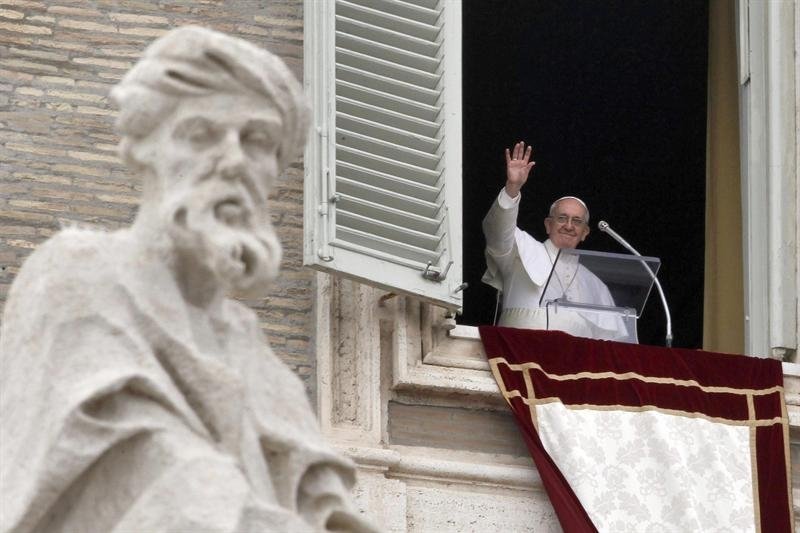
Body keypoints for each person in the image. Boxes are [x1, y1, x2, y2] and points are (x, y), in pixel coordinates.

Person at [0, 27, 375, 533]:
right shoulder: (76, 272)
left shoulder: (259, 358)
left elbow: (326, 511)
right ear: (144, 146)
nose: (233, 159)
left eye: (257, 140)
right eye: (200, 133)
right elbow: (140, 469)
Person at [482, 141, 629, 341]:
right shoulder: (522, 250)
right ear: (548, 225)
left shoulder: (597, 285)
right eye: (562, 218)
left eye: (577, 221)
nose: (569, 225)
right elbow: (497, 232)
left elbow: (613, 345)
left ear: (585, 233)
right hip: (518, 356)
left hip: (576, 367)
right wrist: (512, 188)